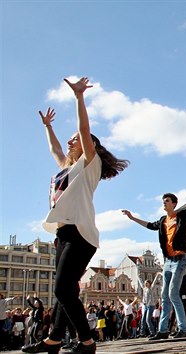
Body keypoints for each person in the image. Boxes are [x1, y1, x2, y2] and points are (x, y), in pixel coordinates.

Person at [23, 77, 128, 354]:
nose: (72, 141)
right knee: (64, 290)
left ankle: (87, 341)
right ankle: (54, 339)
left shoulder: (89, 165)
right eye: (71, 139)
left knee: (61, 289)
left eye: (76, 139)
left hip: (81, 234)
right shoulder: (66, 168)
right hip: (64, 232)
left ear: (88, 145)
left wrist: (79, 98)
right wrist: (48, 127)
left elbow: (84, 128)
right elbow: (56, 150)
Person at [122, 188, 186, 339]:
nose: (164, 203)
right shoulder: (163, 220)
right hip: (167, 262)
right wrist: (132, 218)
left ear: (174, 204)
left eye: (167, 201)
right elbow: (150, 225)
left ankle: (183, 328)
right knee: (164, 296)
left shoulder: (182, 215)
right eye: (163, 201)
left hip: (180, 260)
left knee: (172, 293)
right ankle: (163, 331)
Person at [140, 273, 161, 337]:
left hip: (151, 305)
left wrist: (157, 276)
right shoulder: (144, 289)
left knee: (147, 319)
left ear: (149, 283)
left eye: (147, 283)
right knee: (143, 319)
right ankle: (142, 333)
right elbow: (141, 283)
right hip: (145, 305)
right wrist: (139, 277)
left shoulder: (151, 288)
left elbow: (154, 282)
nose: (146, 284)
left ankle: (152, 333)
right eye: (145, 283)